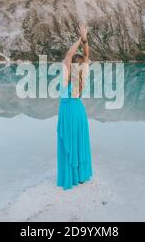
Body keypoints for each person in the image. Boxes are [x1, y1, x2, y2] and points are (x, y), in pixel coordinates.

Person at [56, 24, 93, 190]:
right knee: (79, 141)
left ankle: (70, 176)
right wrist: (85, 38)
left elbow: (69, 54)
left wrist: (80, 38)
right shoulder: (82, 76)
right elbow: (85, 55)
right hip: (78, 112)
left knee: (69, 143)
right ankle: (81, 177)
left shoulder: (66, 78)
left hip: (67, 113)